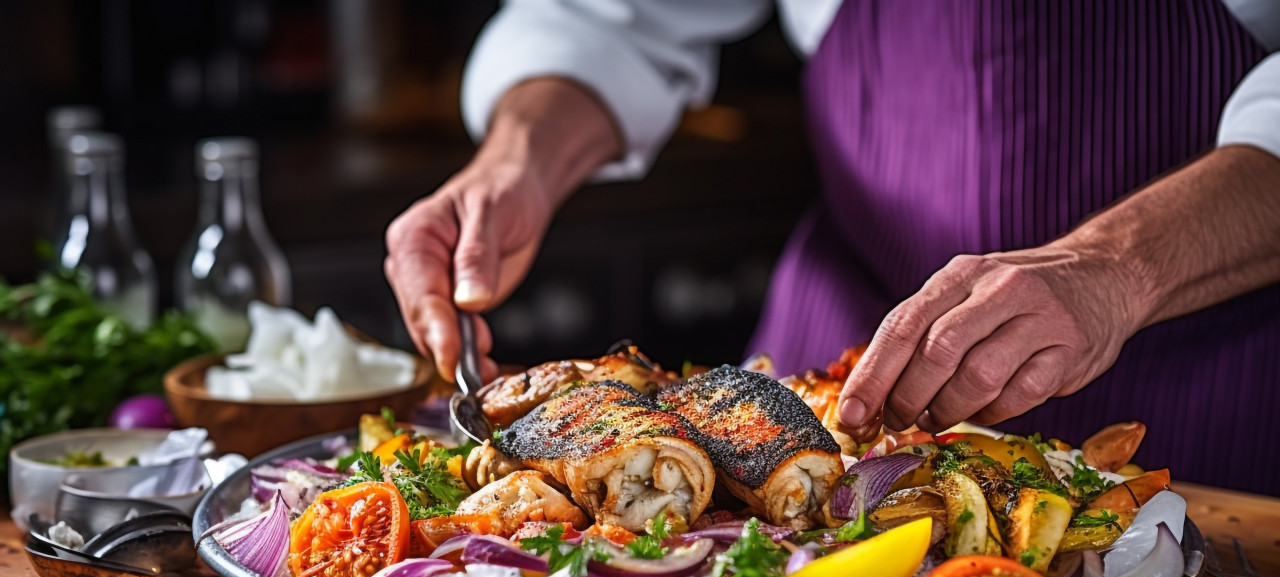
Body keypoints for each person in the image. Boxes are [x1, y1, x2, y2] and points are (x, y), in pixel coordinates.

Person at [384, 1, 1280, 495]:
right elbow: (614, 18)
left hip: (1219, 401)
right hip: (836, 378)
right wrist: (516, 164)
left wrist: (1121, 268)